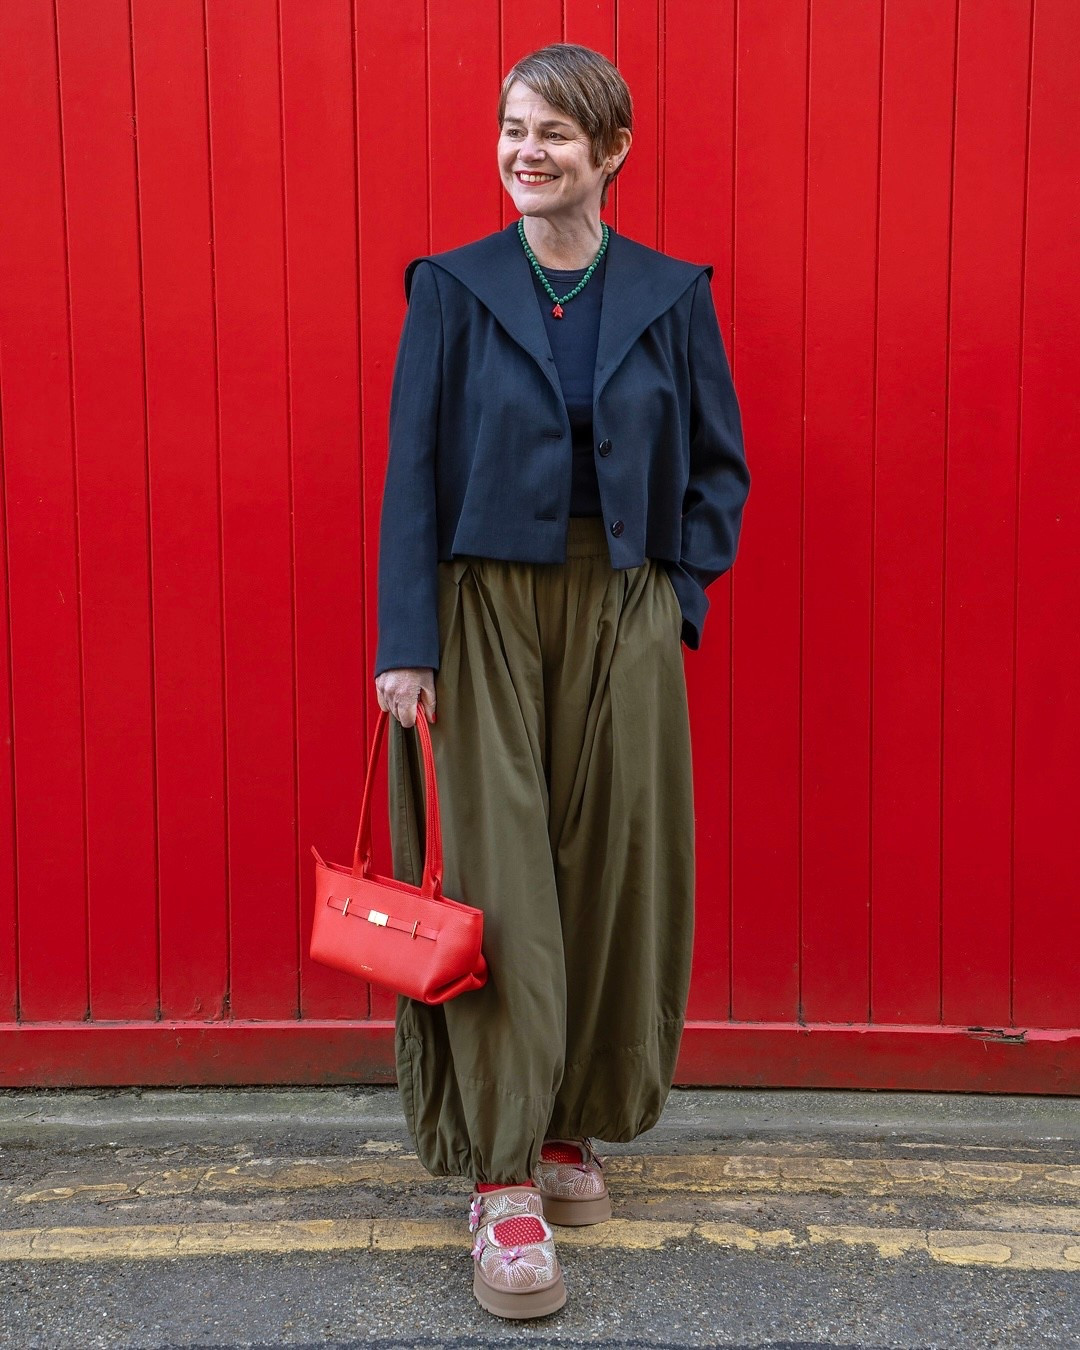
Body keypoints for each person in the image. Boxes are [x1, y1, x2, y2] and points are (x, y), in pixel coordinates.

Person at [373, 42, 750, 1320]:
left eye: (553, 136)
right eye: (511, 129)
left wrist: (674, 603)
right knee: (500, 886)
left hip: (625, 606)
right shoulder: (454, 287)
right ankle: (501, 1180)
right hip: (482, 605)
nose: (525, 153)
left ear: (612, 153)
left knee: (610, 874)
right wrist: (404, 644)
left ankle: (573, 1125)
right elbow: (410, 479)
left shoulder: (669, 292)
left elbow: (717, 465)